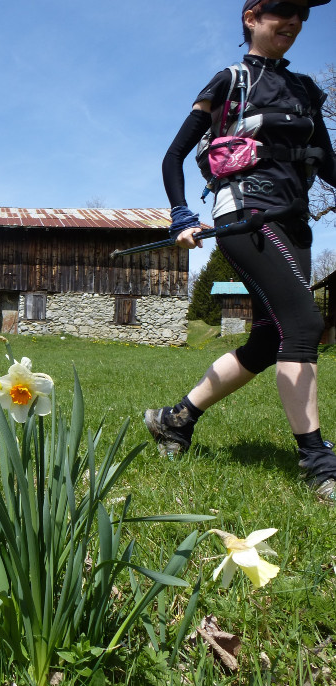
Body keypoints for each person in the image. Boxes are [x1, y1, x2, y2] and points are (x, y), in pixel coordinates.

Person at [145, 0, 336, 502]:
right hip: (244, 215)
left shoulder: (306, 91)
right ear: (252, 16)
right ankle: (318, 462)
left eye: (303, 14)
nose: (293, 21)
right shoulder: (231, 80)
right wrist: (182, 214)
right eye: (283, 9)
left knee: (269, 338)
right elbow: (173, 156)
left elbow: (329, 167)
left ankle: (176, 419)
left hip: (294, 222)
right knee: (303, 324)